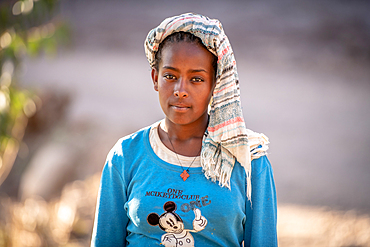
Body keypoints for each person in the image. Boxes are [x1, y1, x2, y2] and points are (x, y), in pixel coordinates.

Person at [91, 13, 277, 247]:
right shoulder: (125, 156)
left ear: (216, 84)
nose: (180, 90)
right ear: (155, 78)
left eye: (196, 79)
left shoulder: (249, 161)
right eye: (170, 76)